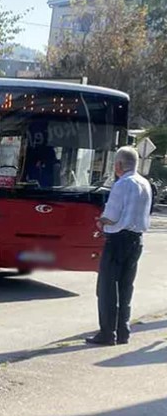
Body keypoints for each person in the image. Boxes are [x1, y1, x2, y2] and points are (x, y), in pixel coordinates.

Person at [87, 147, 152, 346]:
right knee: (126, 286)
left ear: (119, 165)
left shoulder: (122, 183)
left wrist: (101, 221)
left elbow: (112, 215)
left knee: (107, 287)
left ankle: (107, 332)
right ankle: (123, 330)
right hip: (136, 240)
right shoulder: (145, 183)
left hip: (118, 240)